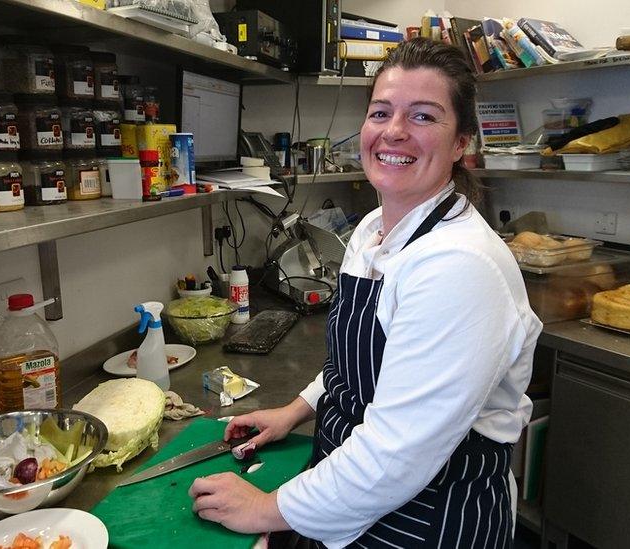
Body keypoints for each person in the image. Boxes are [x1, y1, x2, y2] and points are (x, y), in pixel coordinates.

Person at [189, 39, 543, 548]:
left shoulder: (460, 267)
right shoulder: (374, 230)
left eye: (423, 116)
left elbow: (398, 453)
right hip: (350, 489)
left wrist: (266, 508)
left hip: (429, 518)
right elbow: (358, 364)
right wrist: (297, 409)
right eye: (381, 112)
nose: (394, 131)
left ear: (462, 141)